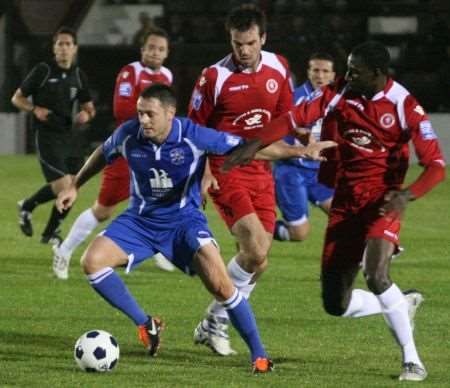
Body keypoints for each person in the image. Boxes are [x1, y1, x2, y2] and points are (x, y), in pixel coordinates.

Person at [56, 84, 335, 373]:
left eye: (150, 114)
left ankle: (260, 355)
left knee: (222, 286)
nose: (144, 120)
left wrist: (299, 151)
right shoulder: (129, 134)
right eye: (140, 114)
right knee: (92, 263)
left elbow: (248, 148)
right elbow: (104, 151)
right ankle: (145, 323)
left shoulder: (192, 135)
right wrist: (75, 185)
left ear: (169, 113)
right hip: (140, 221)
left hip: (183, 223)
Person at [222, 41, 446, 381]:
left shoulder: (404, 105)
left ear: (377, 74)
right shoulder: (340, 93)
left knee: (376, 274)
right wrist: (254, 145)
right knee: (334, 303)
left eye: (355, 71)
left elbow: (436, 166)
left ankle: (412, 361)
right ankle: (401, 304)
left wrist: (406, 195)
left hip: (382, 202)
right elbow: (291, 118)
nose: (348, 75)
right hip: (344, 202)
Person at [187, 3, 295, 356]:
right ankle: (217, 321)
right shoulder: (213, 77)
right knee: (256, 247)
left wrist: (299, 146)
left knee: (257, 261)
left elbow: (282, 120)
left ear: (263, 38)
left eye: (250, 43)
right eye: (237, 44)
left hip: (261, 169)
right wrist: (202, 171)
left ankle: (213, 319)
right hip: (225, 168)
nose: (244, 51)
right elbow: (193, 129)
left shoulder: (279, 68)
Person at [52, 28, 175, 279]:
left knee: (162, 200)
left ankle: (160, 249)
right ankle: (64, 251)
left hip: (153, 152)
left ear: (167, 53)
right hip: (126, 149)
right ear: (142, 50)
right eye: (151, 48)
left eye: (160, 49)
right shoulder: (131, 72)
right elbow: (122, 109)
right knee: (104, 209)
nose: (155, 53)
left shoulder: (166, 75)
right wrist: (154, 120)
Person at [12, 26, 95, 245]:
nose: (64, 48)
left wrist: (86, 115)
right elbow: (17, 98)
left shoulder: (78, 75)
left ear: (75, 48)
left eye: (68, 44)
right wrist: (34, 109)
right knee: (65, 186)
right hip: (46, 135)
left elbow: (89, 107)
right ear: (54, 48)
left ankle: (30, 209)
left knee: (72, 185)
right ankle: (49, 232)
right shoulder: (43, 70)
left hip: (69, 137)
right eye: (60, 44)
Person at [274, 52, 336, 241]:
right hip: (292, 172)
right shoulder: (294, 99)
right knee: (299, 234)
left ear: (333, 75)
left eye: (325, 71)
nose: (320, 75)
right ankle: (257, 232)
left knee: (345, 215)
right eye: (316, 70)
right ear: (308, 72)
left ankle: (369, 254)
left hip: (319, 173)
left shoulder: (337, 101)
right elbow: (277, 138)